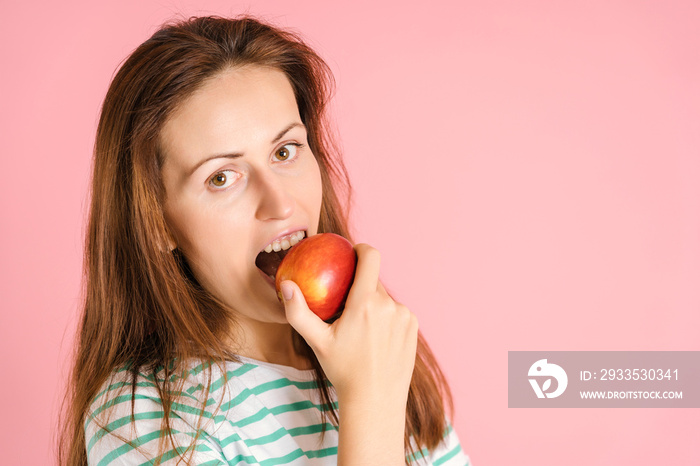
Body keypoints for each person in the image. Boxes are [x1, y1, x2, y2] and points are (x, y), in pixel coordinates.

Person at [59, 15, 472, 466]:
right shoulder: (146, 419)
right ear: (158, 222)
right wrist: (370, 406)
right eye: (221, 177)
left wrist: (377, 387)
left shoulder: (373, 351)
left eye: (284, 151)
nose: (278, 202)